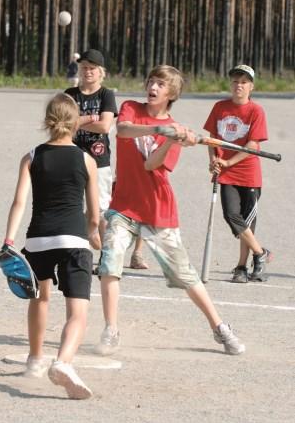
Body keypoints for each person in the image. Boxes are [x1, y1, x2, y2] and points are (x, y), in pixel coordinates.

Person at [95, 64, 246, 357]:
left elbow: (151, 165)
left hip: (157, 211)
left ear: (171, 94)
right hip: (123, 206)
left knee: (185, 275)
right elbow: (122, 130)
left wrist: (172, 139)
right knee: (110, 260)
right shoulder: (130, 108)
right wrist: (158, 129)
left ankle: (219, 328)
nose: (153, 87)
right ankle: (111, 329)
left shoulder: (176, 129)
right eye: (151, 81)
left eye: (161, 85)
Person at [1, 92, 101, 399]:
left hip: (38, 238)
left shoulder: (31, 156)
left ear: (48, 121)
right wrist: (94, 234)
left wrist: (9, 239)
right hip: (73, 239)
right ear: (76, 124)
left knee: (40, 299)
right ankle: (63, 362)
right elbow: (94, 213)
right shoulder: (87, 160)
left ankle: (34, 360)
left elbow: (19, 201)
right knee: (78, 312)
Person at [203, 64, 272, 283]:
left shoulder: (255, 111)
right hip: (225, 173)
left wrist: (228, 161)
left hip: (248, 173)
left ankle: (242, 267)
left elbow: (253, 145)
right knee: (231, 215)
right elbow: (212, 138)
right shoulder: (220, 107)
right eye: (235, 81)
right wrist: (213, 159)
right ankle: (261, 253)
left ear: (251, 86)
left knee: (246, 222)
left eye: (243, 82)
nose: (238, 86)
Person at [65, 48, 118, 239]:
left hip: (99, 160)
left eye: (92, 68)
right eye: (85, 67)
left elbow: (104, 126)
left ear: (100, 72)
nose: (88, 71)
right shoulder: (70, 94)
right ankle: (77, 252)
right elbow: (64, 125)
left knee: (102, 210)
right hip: (72, 157)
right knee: (72, 207)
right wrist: (89, 119)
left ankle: (105, 257)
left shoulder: (106, 95)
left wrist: (78, 121)